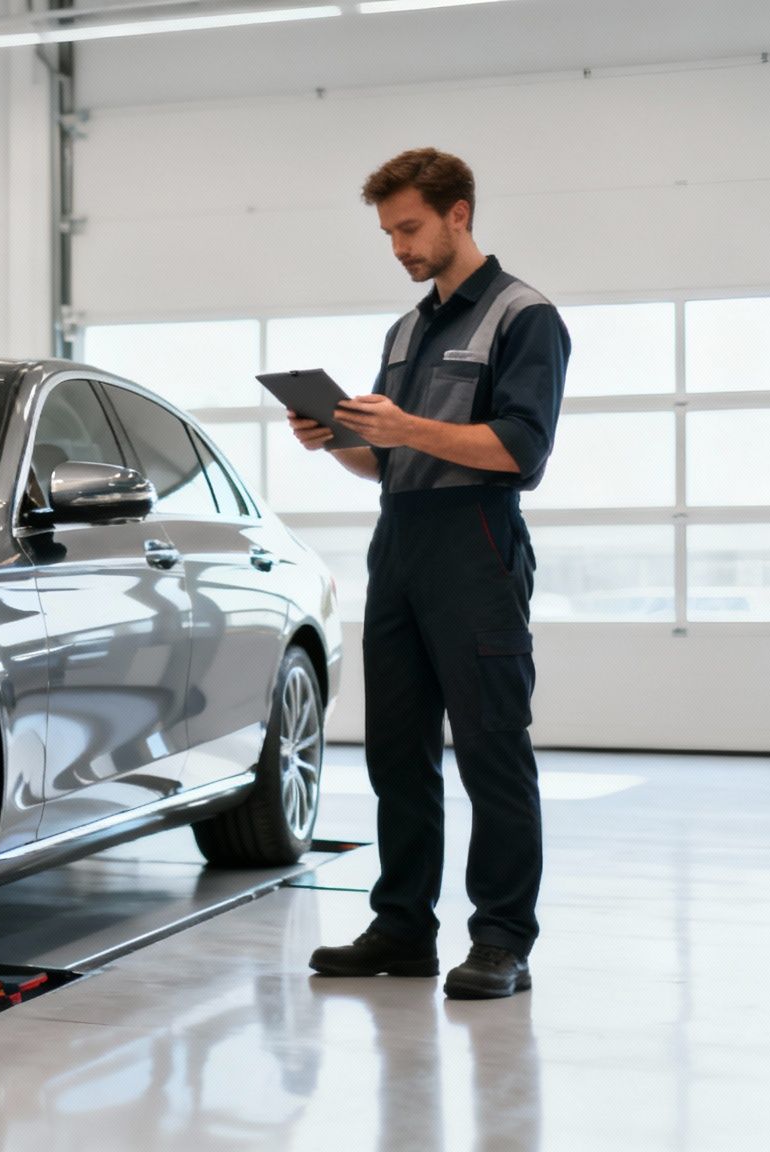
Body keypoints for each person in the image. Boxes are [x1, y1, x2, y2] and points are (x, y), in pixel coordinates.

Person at [297, 148, 570, 1000]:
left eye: (409, 228)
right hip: (401, 543)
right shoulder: (407, 330)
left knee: (491, 748)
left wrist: (406, 428)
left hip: (477, 543)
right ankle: (404, 926)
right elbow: (387, 461)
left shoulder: (525, 318)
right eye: (388, 233)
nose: (399, 247)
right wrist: (340, 439)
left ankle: (501, 940)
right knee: (397, 753)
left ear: (459, 213)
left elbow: (521, 451)